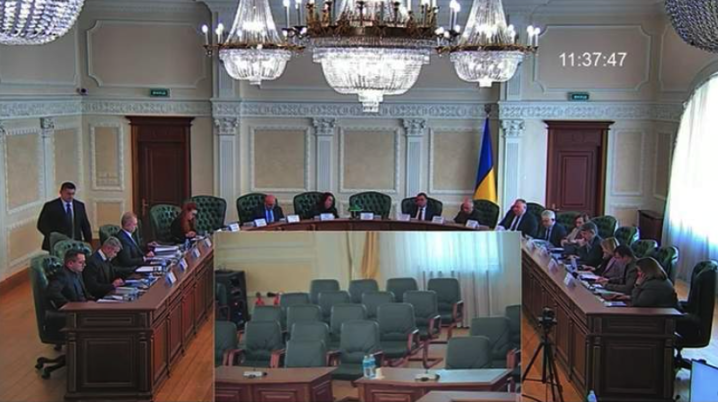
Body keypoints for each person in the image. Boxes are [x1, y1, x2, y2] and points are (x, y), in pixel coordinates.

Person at [37, 182, 93, 251]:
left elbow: (85, 226)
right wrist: (52, 236)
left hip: (75, 244)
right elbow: (41, 225)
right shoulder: (50, 206)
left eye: (73, 194)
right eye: (68, 194)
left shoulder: (79, 206)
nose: (71, 196)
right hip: (56, 245)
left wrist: (88, 244)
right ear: (61, 192)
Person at [607, 258, 678, 308]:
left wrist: (637, 285)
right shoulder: (655, 280)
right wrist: (630, 297)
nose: (638, 273)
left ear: (647, 271)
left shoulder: (653, 284)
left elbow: (637, 303)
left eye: (640, 271)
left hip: (665, 317)